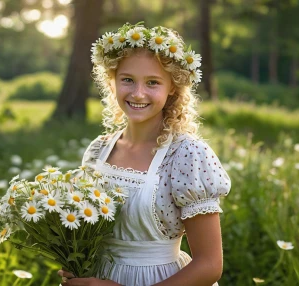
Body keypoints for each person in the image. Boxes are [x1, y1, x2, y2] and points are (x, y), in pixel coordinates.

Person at [59, 22, 231, 286]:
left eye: (152, 82)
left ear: (172, 87)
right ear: (112, 81)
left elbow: (209, 266)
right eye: (127, 79)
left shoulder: (187, 155)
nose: (138, 93)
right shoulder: (99, 150)